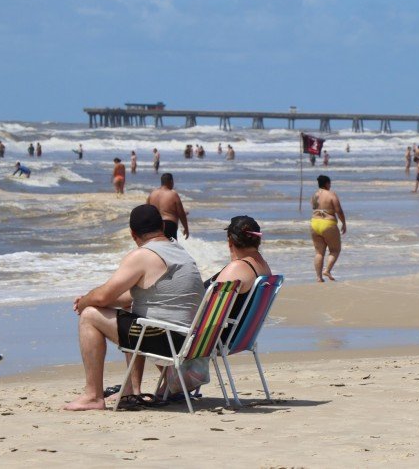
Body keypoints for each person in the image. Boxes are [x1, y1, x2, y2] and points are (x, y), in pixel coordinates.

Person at [63, 205, 204, 411]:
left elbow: (103, 296)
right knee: (132, 310)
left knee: (89, 316)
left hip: (166, 340)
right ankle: (131, 390)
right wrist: (95, 299)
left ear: (132, 234)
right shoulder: (179, 252)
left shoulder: (143, 255)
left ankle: (93, 395)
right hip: (188, 341)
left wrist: (85, 302)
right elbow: (132, 296)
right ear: (163, 226)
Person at [203, 215, 272, 339]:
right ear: (258, 241)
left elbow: (208, 307)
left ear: (230, 241)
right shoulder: (263, 266)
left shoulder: (237, 268)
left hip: (214, 338)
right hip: (242, 336)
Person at [310, 175, 346, 282]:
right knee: (335, 250)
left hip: (314, 223)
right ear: (327, 184)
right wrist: (343, 223)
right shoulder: (331, 194)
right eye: (329, 184)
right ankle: (327, 270)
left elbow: (314, 207)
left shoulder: (314, 195)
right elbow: (338, 210)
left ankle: (319, 277)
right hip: (328, 223)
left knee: (319, 252)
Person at [147, 173, 189, 240]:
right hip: (169, 225)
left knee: (157, 248)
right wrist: (186, 228)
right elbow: (181, 213)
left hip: (155, 225)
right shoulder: (173, 194)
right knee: (171, 249)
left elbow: (147, 211)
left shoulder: (152, 194)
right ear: (171, 181)